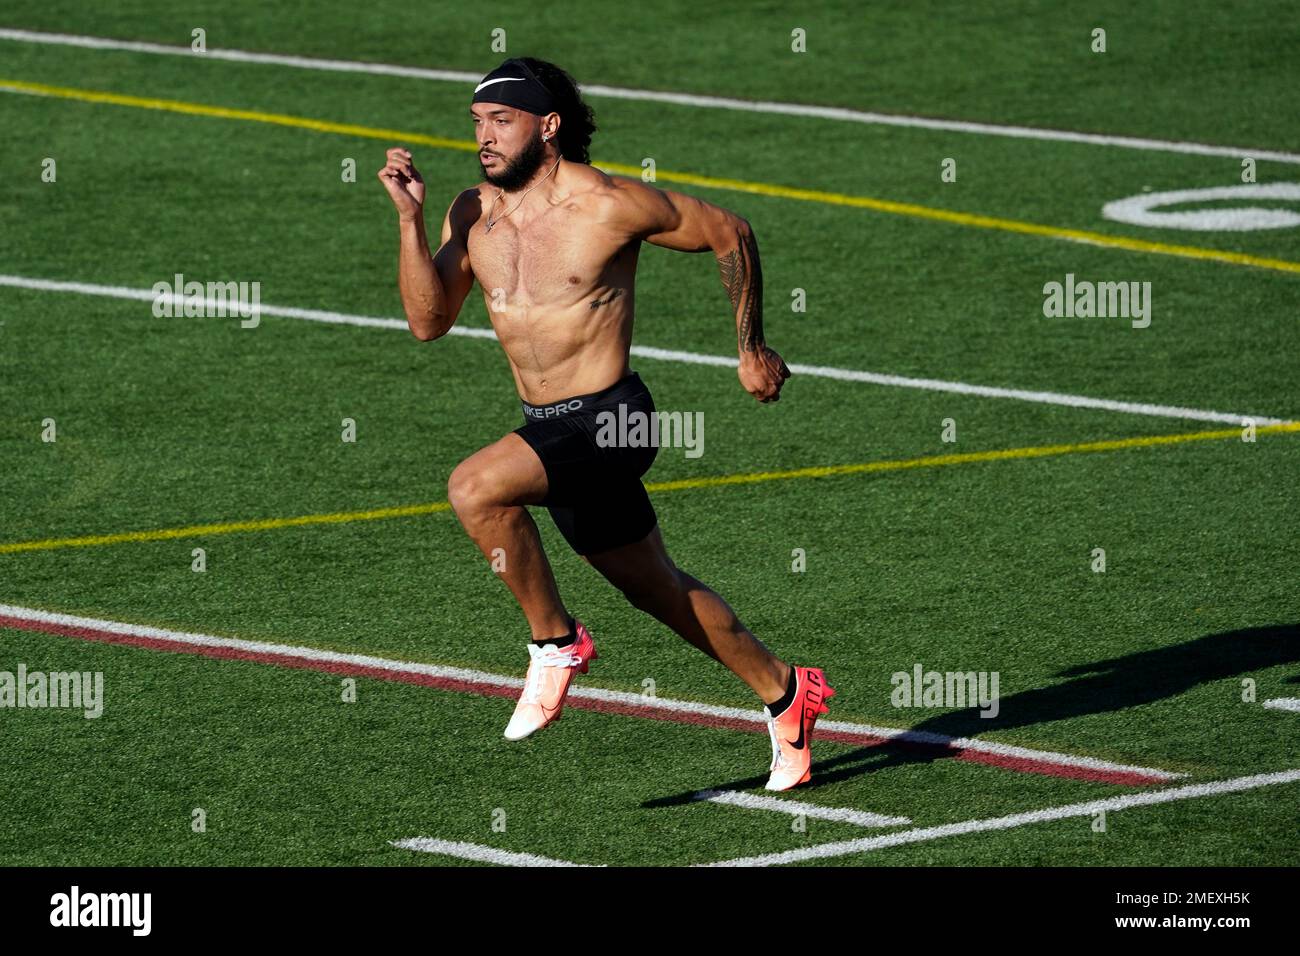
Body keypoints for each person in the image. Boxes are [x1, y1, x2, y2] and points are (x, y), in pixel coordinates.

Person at [377, 56, 832, 790]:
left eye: (501, 121)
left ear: (547, 126)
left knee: (474, 489)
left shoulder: (607, 204)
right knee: (654, 587)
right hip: (551, 430)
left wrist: (751, 347)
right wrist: (410, 219)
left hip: (613, 420)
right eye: (477, 123)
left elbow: (728, 231)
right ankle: (787, 692)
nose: (483, 138)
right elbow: (429, 321)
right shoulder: (475, 211)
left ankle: (555, 643)